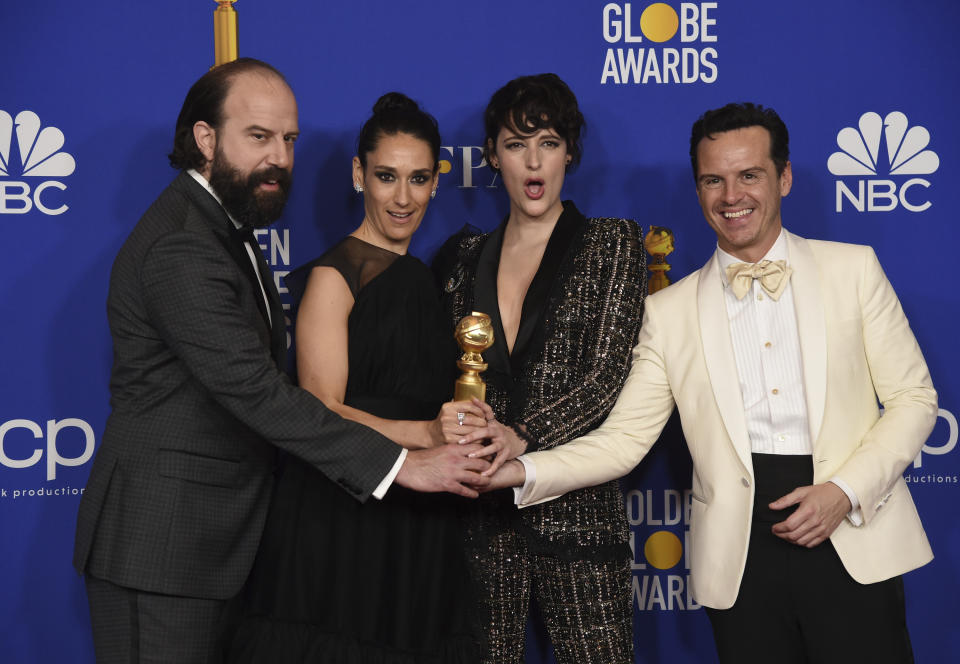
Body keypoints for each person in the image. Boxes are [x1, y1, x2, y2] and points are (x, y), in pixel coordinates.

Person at [476, 102, 937, 663]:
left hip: (852, 530)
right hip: (740, 560)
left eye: (750, 176)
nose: (731, 196)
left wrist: (844, 491)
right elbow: (622, 441)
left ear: (784, 178)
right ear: (698, 191)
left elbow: (914, 400)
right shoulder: (669, 312)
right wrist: (518, 471)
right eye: (713, 180)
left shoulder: (853, 269)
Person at [72, 59, 489, 663]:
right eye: (259, 137)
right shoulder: (184, 243)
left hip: (214, 544)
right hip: (162, 547)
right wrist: (404, 464)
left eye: (289, 139)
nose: (279, 157)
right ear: (205, 138)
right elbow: (258, 392)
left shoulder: (224, 229)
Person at [229, 92, 482, 663]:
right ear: (358, 174)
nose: (402, 196)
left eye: (418, 178)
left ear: (437, 182)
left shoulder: (428, 278)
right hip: (342, 511)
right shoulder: (334, 275)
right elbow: (318, 406)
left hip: (418, 515)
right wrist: (423, 435)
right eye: (386, 176)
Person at [435, 73, 646, 664]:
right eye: (515, 143)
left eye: (548, 142)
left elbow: (605, 375)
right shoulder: (462, 257)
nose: (533, 162)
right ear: (492, 156)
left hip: (578, 518)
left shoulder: (613, 244)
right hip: (480, 521)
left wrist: (522, 435)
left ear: (569, 153)